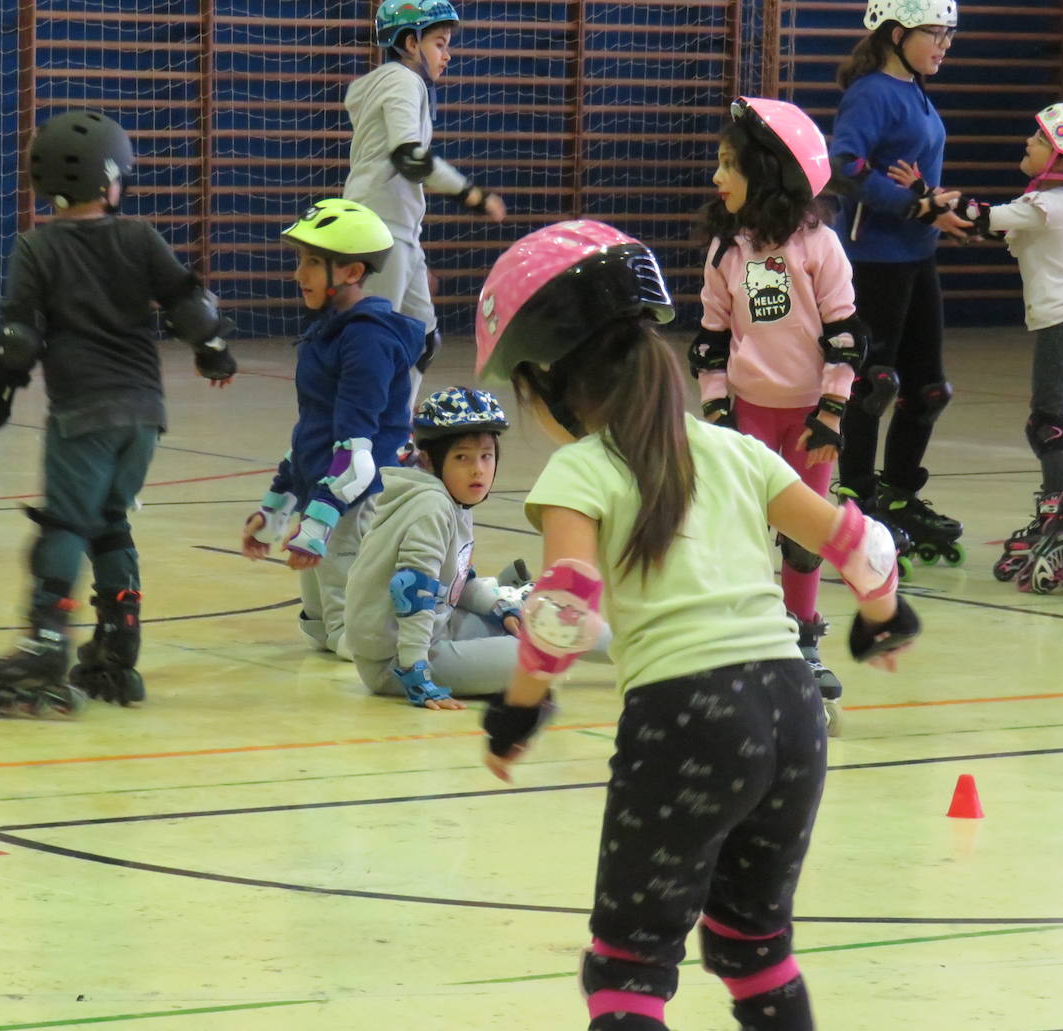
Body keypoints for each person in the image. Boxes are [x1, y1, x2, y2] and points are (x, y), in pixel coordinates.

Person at [472, 219, 920, 1031]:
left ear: (545, 383)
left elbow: (566, 606)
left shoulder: (581, 468)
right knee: (753, 943)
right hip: (793, 713)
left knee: (630, 965)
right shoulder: (734, 451)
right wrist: (884, 618)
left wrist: (519, 707)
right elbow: (860, 543)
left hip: (687, 720)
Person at [0, 109, 237, 717]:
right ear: (112, 181)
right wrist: (214, 354)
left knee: (64, 524)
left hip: (81, 414)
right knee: (110, 521)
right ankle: (119, 637)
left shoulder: (36, 246)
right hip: (143, 416)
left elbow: (18, 341)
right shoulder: (138, 237)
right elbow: (190, 303)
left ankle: (46, 640)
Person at [692, 96, 872, 734]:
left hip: (804, 422)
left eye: (728, 165)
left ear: (767, 172)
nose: (717, 179)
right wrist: (717, 414)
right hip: (749, 415)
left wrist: (831, 413)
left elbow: (846, 338)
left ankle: (802, 641)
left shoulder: (819, 248)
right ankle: (741, 639)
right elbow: (712, 340)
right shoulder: (726, 249)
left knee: (802, 540)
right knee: (736, 532)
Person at [914, 104, 1063, 584]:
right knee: (1044, 422)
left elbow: (982, 218)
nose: (1029, 142)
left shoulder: (1050, 204)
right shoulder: (1047, 204)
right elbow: (985, 226)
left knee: (1048, 424)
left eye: (1040, 139)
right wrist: (951, 212)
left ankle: (1060, 514)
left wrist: (925, 198)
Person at [344, 386, 608, 709]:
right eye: (462, 457)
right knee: (542, 651)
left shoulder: (450, 499)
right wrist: (416, 674)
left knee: (542, 621)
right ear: (429, 460)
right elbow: (412, 592)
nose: (477, 469)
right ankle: (646, 651)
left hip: (438, 628)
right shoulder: (431, 507)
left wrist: (499, 608)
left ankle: (646, 649)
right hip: (398, 660)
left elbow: (458, 582)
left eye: (486, 456)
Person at [241, 199, 423, 658]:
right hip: (325, 497)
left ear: (351, 272)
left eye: (313, 262)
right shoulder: (327, 332)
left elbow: (356, 455)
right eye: (300, 260)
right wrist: (276, 509)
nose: (299, 274)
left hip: (356, 501)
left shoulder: (368, 339)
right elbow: (312, 436)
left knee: (352, 642)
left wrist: (317, 526)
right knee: (320, 630)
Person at [830, 0, 970, 566]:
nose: (944, 45)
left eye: (950, 35)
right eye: (935, 33)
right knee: (875, 383)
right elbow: (845, 167)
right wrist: (917, 206)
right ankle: (859, 496)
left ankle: (900, 495)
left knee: (928, 389)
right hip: (875, 259)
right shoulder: (872, 92)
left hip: (916, 255)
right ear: (896, 33)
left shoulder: (913, 89)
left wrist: (933, 208)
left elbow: (909, 180)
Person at [344, 0, 506, 399]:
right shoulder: (402, 80)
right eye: (438, 43)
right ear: (410, 44)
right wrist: (470, 193)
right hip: (381, 230)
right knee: (374, 343)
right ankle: (355, 438)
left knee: (422, 338)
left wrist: (412, 253)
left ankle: (397, 433)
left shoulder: (389, 81)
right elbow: (409, 156)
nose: (447, 54)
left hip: (394, 230)